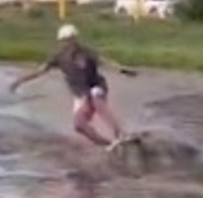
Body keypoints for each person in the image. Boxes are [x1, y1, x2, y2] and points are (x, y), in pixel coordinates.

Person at [9, 23, 137, 148]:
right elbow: (40, 71)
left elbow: (104, 61)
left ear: (75, 39)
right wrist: (20, 81)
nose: (68, 44)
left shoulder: (86, 52)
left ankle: (120, 134)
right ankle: (107, 145)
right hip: (80, 94)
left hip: (95, 86)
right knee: (79, 125)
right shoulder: (58, 56)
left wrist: (121, 69)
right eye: (65, 41)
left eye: (71, 40)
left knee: (97, 101)